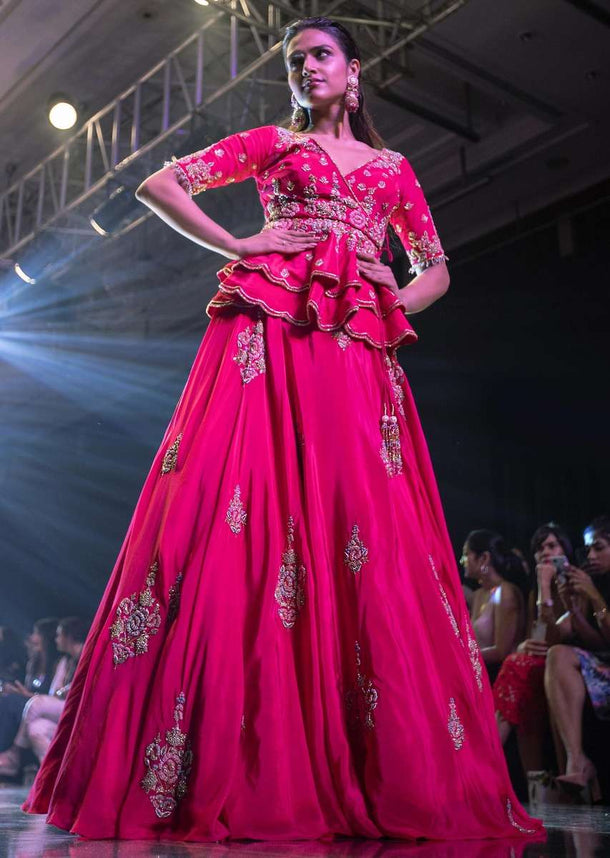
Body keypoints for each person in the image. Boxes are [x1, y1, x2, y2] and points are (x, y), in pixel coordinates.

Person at [21, 16, 542, 842]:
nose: (305, 68)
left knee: (359, 529)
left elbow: (436, 266)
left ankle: (369, 760)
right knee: (242, 518)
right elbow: (161, 183)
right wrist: (238, 240)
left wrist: (395, 294)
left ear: (354, 69)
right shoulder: (272, 142)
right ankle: (249, 756)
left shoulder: (394, 170)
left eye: (319, 55)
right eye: (293, 59)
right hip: (266, 343)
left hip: (354, 357)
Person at [492, 523, 573, 774]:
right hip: (541, 661)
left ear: (564, 549)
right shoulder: (535, 589)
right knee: (518, 667)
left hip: (566, 659)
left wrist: (546, 588)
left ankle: (489, 754)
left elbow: (562, 634)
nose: (545, 552)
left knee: (515, 666)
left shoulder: (573, 584)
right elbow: (534, 637)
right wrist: (524, 644)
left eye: (552, 545)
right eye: (539, 548)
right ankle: (534, 781)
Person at [545, 516, 610, 803]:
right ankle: (577, 760)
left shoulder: (595, 587)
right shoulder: (594, 580)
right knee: (557, 655)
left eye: (599, 548)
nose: (591, 556)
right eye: (588, 550)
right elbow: (597, 642)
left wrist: (596, 598)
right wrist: (574, 608)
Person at [0, 617, 86, 778]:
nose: (56, 639)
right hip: (59, 707)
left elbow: (71, 691)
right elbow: (56, 692)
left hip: (78, 708)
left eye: (60, 635)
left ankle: (14, 753)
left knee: (34, 704)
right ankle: (54, 774)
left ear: (69, 636)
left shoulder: (86, 657)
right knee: (37, 728)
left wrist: (64, 692)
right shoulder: (65, 661)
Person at [461, 530, 526, 680]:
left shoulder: (505, 591)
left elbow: (501, 651)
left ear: (484, 558)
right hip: (476, 674)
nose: (462, 560)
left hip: (497, 677)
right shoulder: (479, 594)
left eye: (466, 554)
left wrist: (462, 656)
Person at [0, 617, 59, 753]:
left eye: (36, 633)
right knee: (7, 697)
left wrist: (24, 694)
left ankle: (6, 753)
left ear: (46, 638)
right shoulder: (33, 663)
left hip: (43, 708)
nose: (32, 638)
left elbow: (53, 698)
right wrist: (16, 691)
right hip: (29, 703)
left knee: (10, 703)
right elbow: (27, 690)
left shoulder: (57, 664)